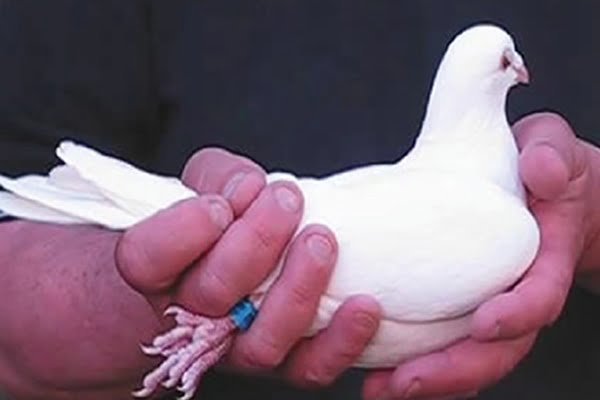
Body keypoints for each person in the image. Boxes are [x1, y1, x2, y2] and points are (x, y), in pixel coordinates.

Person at [1, 1, 599, 400]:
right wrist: (159, 291)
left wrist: (593, 231)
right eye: (506, 61)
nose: (521, 67)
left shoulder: (472, 198)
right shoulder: (501, 226)